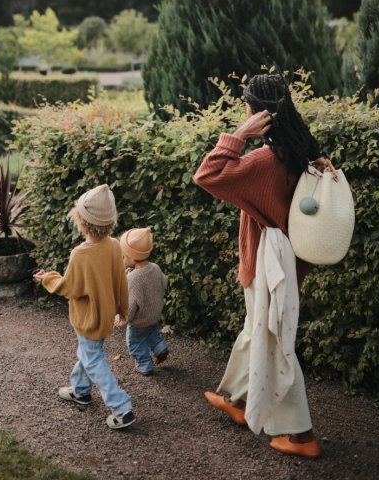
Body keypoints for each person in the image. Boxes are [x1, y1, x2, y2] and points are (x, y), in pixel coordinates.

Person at [193, 73, 336, 458]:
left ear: (256, 112)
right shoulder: (304, 153)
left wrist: (238, 133)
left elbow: (207, 175)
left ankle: (302, 435)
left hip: (268, 262)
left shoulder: (265, 160)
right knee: (258, 332)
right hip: (291, 260)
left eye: (246, 107)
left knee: (275, 343)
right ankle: (240, 402)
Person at [33, 184, 136, 430]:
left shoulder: (80, 254)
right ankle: (81, 391)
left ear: (81, 220)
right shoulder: (113, 245)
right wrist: (123, 309)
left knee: (93, 359)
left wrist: (47, 277)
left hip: (88, 319)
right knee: (88, 354)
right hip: (104, 315)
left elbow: (70, 288)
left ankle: (122, 408)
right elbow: (121, 280)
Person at [116, 226, 169, 376]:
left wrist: (123, 318)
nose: (123, 258)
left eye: (124, 255)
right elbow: (164, 282)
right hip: (153, 315)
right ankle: (160, 348)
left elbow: (131, 305)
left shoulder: (133, 278)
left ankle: (144, 365)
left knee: (134, 343)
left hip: (139, 321)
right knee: (151, 333)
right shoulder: (155, 267)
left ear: (132, 258)